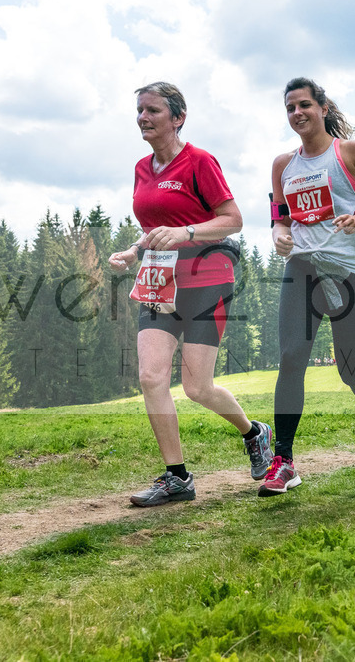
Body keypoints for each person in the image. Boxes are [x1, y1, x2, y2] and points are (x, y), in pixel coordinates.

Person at [109, 82, 272, 507]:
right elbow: (156, 225)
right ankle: (177, 476)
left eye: (153, 111)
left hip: (206, 278)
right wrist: (134, 250)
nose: (143, 118)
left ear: (178, 117)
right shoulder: (142, 169)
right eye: (139, 110)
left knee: (199, 387)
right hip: (158, 280)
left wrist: (186, 232)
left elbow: (233, 219)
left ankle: (253, 433)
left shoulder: (199, 162)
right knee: (151, 377)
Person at [263, 77, 355, 496]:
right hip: (303, 266)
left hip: (348, 272)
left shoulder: (351, 152)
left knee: (349, 369)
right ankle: (284, 461)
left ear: (322, 108)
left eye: (304, 104)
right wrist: (278, 235)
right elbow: (279, 217)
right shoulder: (282, 165)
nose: (297, 113)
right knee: (291, 357)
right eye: (290, 108)